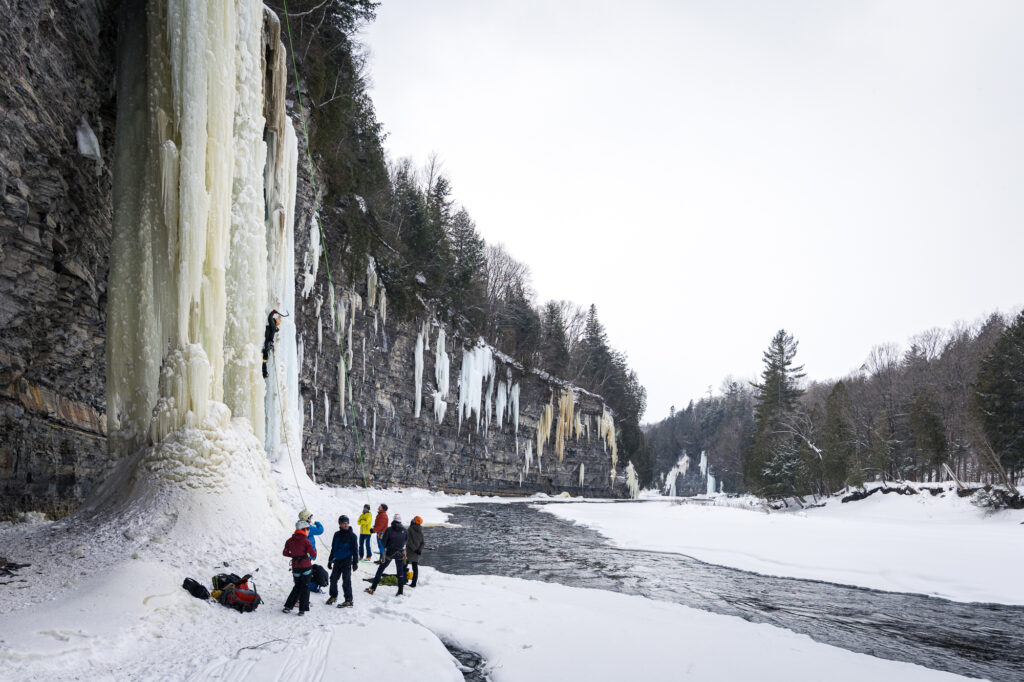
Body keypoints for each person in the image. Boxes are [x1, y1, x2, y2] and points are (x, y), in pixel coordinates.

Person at [366, 513, 408, 596]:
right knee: (400, 572)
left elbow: (383, 543)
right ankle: (400, 591)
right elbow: (406, 541)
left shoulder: (389, 530)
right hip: (400, 553)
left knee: (380, 570)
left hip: (390, 552)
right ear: (400, 521)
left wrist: (382, 538)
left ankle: (373, 588)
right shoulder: (405, 530)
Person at [282, 520, 315, 615]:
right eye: (307, 529)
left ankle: (288, 606)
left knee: (297, 586)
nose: (308, 530)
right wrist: (308, 555)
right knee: (305, 587)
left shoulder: (289, 541)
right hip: (306, 566)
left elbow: (285, 552)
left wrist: (294, 555)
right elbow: (313, 553)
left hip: (295, 567)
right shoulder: (306, 541)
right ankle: (302, 609)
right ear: (303, 529)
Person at [326, 515, 359, 607]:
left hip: (347, 561)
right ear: (339, 524)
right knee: (333, 579)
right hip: (337, 561)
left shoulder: (352, 536)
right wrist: (330, 560)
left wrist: (355, 562)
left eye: (347, 523)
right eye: (343, 523)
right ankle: (333, 596)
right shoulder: (336, 534)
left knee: (346, 581)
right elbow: (333, 548)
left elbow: (355, 550)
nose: (346, 525)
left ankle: (348, 600)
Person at [299, 508, 325, 592]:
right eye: (309, 517)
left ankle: (307, 586)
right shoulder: (307, 527)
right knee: (306, 573)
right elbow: (320, 530)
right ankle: (307, 588)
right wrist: (317, 523)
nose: (311, 519)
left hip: (305, 553)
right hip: (307, 554)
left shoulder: (301, 525)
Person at [406, 515, 425, 588]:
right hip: (417, 553)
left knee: (404, 565)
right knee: (415, 568)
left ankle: (403, 579)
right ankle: (414, 583)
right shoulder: (421, 531)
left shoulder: (410, 529)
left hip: (410, 551)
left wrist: (415, 550)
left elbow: (409, 541)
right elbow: (423, 543)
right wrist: (419, 550)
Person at [262, 310, 283, 378]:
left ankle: (264, 373)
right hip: (268, 343)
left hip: (267, 343)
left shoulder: (273, 326)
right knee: (264, 358)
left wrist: (272, 312)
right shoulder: (273, 328)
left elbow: (269, 318)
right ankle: (264, 373)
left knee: (265, 357)